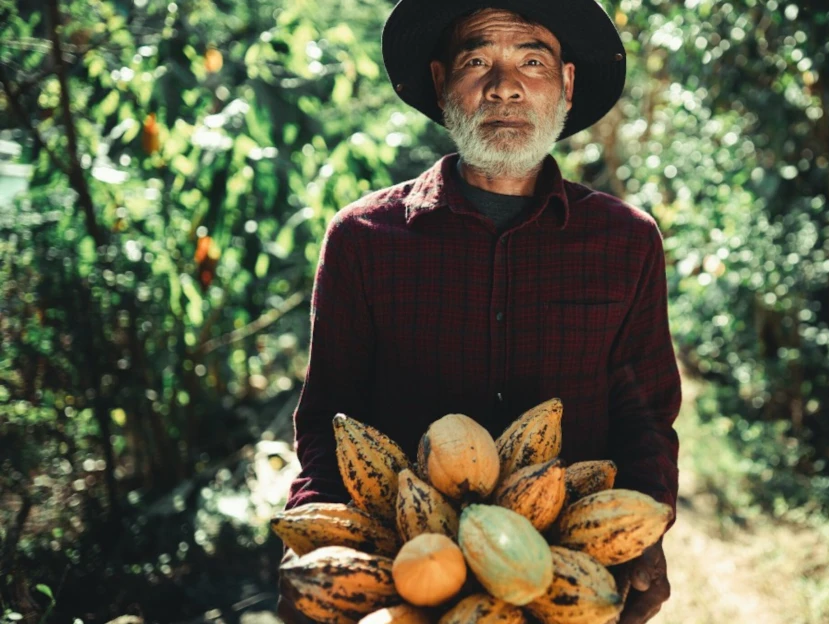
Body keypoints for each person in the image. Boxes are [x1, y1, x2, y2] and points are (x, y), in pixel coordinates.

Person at [276, 1, 681, 622]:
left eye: (532, 60)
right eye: (476, 60)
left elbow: (645, 413)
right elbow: (332, 420)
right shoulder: (363, 238)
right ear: (441, 84)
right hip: (410, 579)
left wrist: (646, 528)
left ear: (567, 84)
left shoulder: (625, 241)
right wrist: (321, 551)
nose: (504, 85)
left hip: (565, 581)